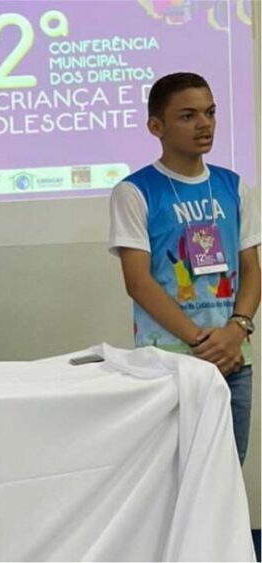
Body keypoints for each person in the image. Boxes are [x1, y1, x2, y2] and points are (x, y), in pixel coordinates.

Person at [109, 72, 259, 464]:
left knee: (227, 473)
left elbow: (251, 268)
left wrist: (235, 330)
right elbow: (138, 282)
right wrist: (200, 341)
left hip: (233, 358)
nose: (204, 124)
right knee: (173, 478)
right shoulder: (134, 191)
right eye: (188, 115)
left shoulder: (234, 186)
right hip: (168, 363)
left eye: (210, 113)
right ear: (156, 126)